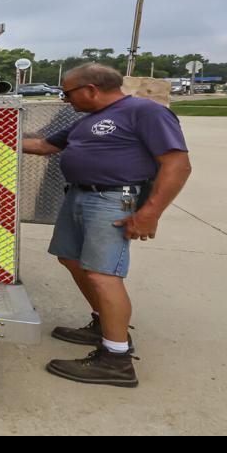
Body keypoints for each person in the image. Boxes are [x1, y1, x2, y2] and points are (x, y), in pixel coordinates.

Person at [22, 64, 191, 388]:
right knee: (70, 259)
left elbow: (177, 164)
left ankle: (116, 359)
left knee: (103, 274)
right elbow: (43, 146)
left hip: (113, 200)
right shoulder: (86, 121)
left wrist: (150, 212)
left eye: (67, 92)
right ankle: (103, 324)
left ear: (90, 89)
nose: (64, 98)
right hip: (80, 197)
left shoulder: (143, 111)